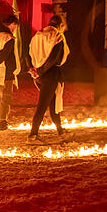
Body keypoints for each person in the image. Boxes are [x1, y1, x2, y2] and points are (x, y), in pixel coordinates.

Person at [27, 15, 71, 144]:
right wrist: (40, 72)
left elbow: (28, 53)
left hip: (38, 74)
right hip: (49, 74)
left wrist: (32, 69)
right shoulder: (57, 36)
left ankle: (61, 132)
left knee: (52, 103)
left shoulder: (37, 35)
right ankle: (32, 136)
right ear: (60, 25)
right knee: (42, 106)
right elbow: (54, 59)